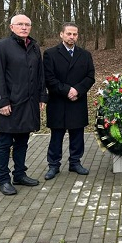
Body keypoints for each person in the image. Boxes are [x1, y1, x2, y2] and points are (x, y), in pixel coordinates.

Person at [0, 14, 48, 196]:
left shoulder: (34, 47)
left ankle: (19, 174)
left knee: (22, 141)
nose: (24, 27)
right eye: (20, 24)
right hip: (10, 104)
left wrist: (42, 97)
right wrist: (2, 101)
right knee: (5, 143)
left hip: (29, 103)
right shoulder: (1, 46)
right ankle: (3, 180)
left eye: (27, 24)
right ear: (11, 27)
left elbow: (40, 74)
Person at [43, 22, 95, 180]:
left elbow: (90, 76)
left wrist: (77, 90)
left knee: (77, 134)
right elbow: (49, 78)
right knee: (56, 135)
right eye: (69, 34)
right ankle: (53, 165)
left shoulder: (85, 55)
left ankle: (75, 162)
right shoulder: (50, 54)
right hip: (58, 101)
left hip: (77, 100)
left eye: (75, 34)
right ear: (61, 34)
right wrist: (67, 90)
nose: (72, 37)